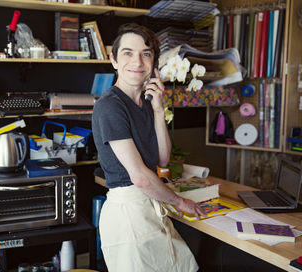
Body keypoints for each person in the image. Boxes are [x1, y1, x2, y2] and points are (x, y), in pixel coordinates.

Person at [92, 23, 206, 271]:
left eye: (146, 53)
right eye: (128, 53)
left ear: (154, 64)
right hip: (129, 217)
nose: (138, 61)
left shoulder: (146, 105)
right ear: (113, 60)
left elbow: (163, 160)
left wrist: (157, 109)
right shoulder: (110, 106)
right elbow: (141, 177)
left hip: (148, 209)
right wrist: (179, 202)